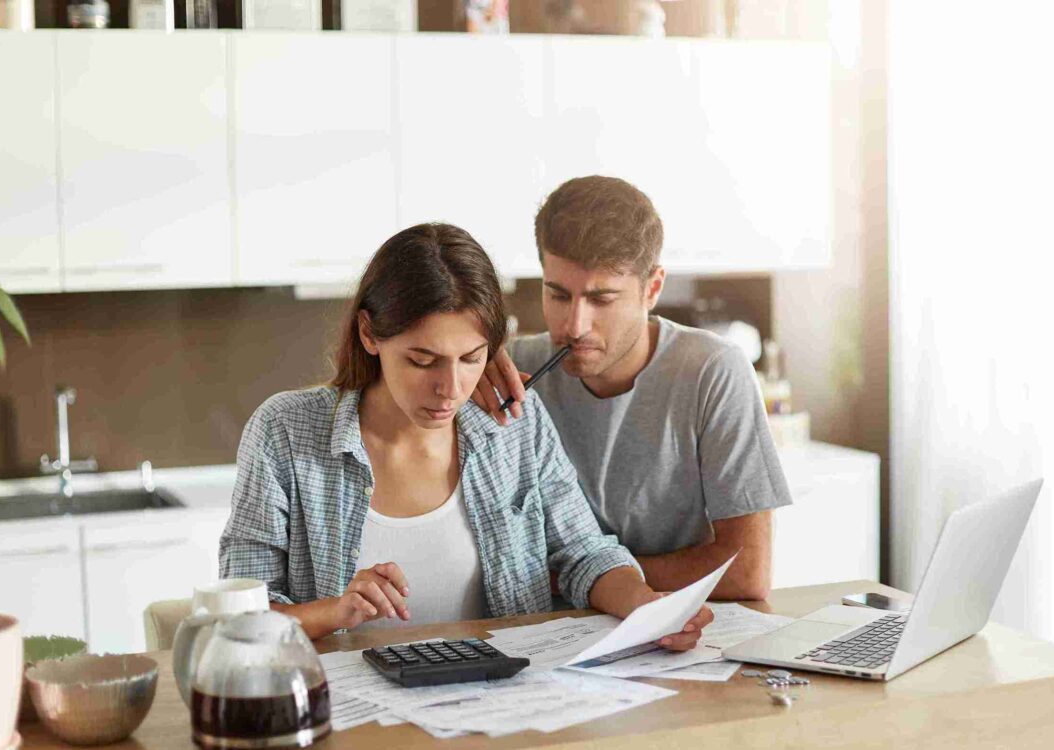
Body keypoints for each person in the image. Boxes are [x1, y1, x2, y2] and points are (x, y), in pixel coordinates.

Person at [219, 222, 713, 646]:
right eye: (422, 360)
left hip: (499, 710)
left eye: (471, 359)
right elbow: (240, 617)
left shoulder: (515, 425)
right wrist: (335, 611)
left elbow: (586, 554)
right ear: (370, 335)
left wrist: (646, 606)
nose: (449, 389)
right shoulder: (285, 432)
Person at [473, 176, 793, 601]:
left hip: (667, 626)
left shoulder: (713, 372)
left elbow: (746, 572)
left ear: (652, 289)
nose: (573, 326)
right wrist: (463, 371)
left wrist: (583, 577)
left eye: (602, 299)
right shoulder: (513, 371)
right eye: (558, 295)